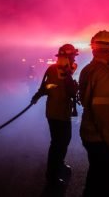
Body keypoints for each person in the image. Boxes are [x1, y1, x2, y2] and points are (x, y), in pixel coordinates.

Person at [79, 30, 109, 197]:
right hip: (102, 137)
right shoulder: (105, 73)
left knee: (95, 176)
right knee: (105, 181)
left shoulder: (88, 69)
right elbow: (103, 108)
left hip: (90, 133)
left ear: (93, 49)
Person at [31, 44, 79, 186]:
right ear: (66, 57)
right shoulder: (56, 70)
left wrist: (37, 95)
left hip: (61, 112)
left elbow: (47, 87)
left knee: (63, 141)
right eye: (72, 56)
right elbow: (48, 87)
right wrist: (37, 96)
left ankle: (60, 164)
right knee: (58, 144)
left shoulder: (62, 69)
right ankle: (52, 176)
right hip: (56, 113)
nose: (74, 58)